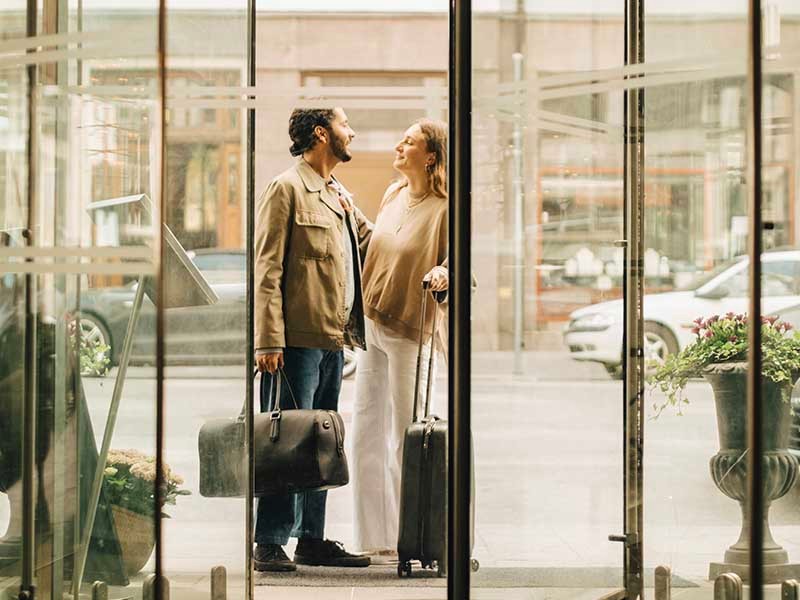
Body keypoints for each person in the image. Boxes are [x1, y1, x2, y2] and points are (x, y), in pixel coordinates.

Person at [254, 107, 373, 572]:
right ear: (322, 134)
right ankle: (268, 539)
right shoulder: (286, 188)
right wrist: (268, 340)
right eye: (346, 124)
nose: (352, 131)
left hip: (331, 338)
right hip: (294, 341)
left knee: (320, 444)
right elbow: (267, 268)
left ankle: (311, 537)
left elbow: (369, 243)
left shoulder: (335, 193)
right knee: (282, 439)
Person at [350, 118, 449, 560]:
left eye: (409, 142)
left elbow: (454, 262)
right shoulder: (392, 194)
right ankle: (374, 538)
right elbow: (378, 246)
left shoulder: (445, 209)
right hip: (373, 322)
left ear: (431, 156)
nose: (398, 145)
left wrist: (443, 271)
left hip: (411, 328)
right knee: (363, 433)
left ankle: (411, 536)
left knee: (404, 440)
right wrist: (349, 213)